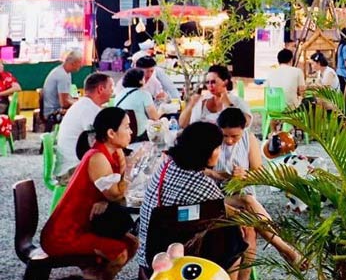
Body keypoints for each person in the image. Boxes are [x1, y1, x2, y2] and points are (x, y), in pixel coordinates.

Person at [134, 122, 248, 276]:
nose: (219, 152)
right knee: (235, 236)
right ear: (206, 152)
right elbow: (221, 209)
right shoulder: (204, 187)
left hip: (150, 254)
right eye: (217, 147)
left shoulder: (167, 165)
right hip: (180, 262)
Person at [41, 106, 138, 280]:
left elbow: (113, 195)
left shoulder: (114, 153)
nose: (130, 132)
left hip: (87, 225)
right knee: (120, 252)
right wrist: (129, 169)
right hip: (65, 234)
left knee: (132, 243)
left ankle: (94, 275)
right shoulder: (98, 157)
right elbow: (116, 194)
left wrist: (107, 200)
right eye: (126, 127)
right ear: (111, 133)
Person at [207, 109, 303, 272]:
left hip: (243, 193)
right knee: (247, 205)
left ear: (243, 130)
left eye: (234, 136)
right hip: (218, 196)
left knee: (249, 231)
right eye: (225, 136)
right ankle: (284, 248)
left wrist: (245, 175)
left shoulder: (249, 138)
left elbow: (258, 172)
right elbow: (203, 171)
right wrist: (224, 175)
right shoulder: (211, 141)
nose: (229, 141)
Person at [56, 72, 114, 181]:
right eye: (111, 87)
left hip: (71, 163)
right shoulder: (88, 108)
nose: (112, 91)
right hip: (71, 169)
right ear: (100, 89)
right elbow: (100, 142)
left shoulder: (86, 104)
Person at [179, 65, 251, 128]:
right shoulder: (202, 101)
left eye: (213, 82)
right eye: (207, 82)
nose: (210, 85)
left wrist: (229, 105)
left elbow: (246, 123)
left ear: (225, 82)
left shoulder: (236, 101)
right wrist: (191, 105)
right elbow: (182, 124)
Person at [113, 67, 162, 142]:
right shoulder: (144, 94)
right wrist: (162, 110)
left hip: (122, 134)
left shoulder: (119, 95)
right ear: (140, 81)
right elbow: (154, 117)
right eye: (143, 78)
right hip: (140, 135)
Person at [42, 50, 84, 126]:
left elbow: (67, 98)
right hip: (53, 113)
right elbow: (64, 103)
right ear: (73, 63)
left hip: (52, 109)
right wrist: (80, 103)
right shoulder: (62, 76)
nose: (81, 65)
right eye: (80, 62)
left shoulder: (65, 72)